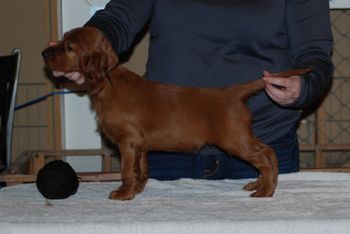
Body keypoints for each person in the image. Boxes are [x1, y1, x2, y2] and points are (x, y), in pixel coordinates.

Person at [53, 0, 334, 180]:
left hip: (262, 137)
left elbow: (314, 54)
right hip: (166, 145)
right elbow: (119, 19)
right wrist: (87, 49)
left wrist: (304, 86)